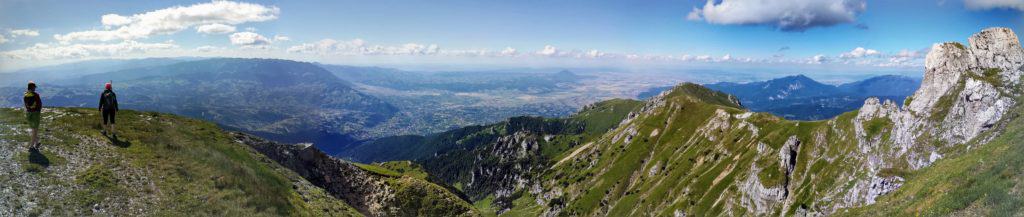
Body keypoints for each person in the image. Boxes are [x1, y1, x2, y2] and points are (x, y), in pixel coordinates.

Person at [23, 81, 42, 148]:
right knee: (35, 130)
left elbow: (25, 105)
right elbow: (39, 104)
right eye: (34, 87)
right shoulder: (36, 95)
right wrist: (38, 111)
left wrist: (27, 111)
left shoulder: (25, 95)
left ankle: (37, 142)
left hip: (28, 113)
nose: (35, 89)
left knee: (33, 129)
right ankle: (31, 145)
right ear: (33, 87)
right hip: (35, 113)